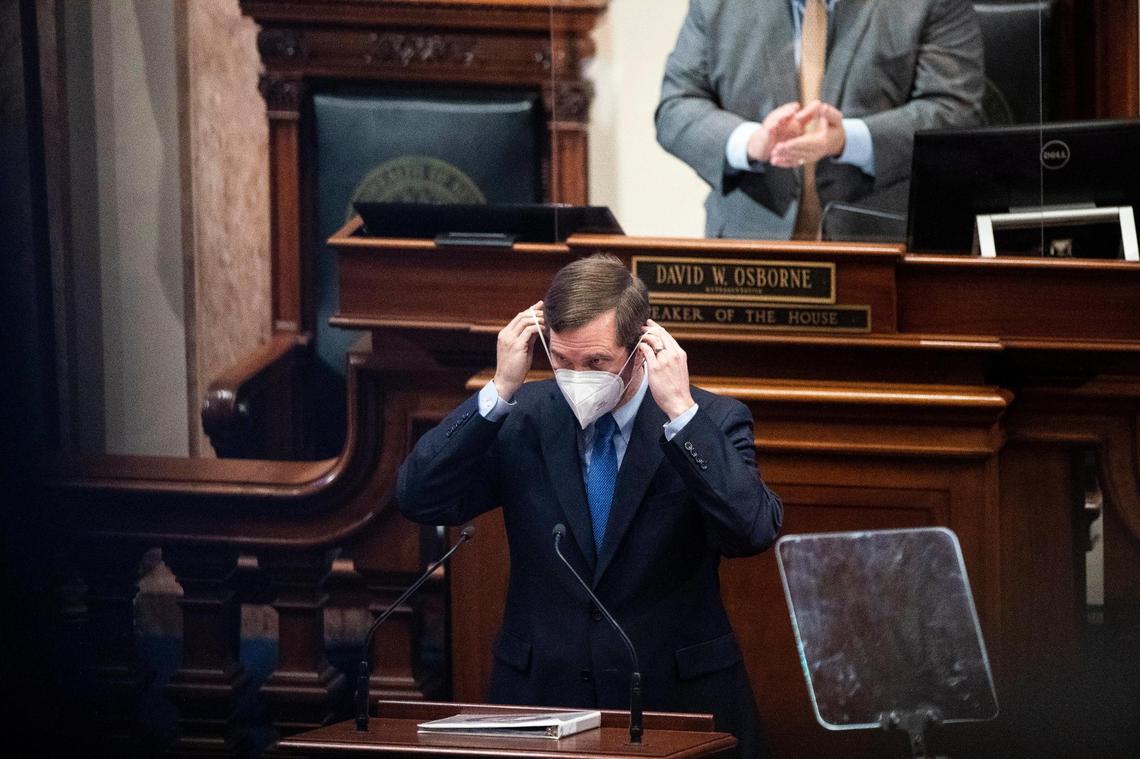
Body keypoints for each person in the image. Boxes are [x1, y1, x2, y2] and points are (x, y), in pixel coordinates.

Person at [397, 254, 783, 757]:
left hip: (676, 700)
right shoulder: (523, 418)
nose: (577, 376)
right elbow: (419, 497)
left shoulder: (708, 420)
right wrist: (499, 390)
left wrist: (682, 416)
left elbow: (753, 530)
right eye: (562, 360)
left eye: (596, 362)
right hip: (543, 700)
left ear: (642, 349)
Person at [655, 0, 985, 240]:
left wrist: (848, 140)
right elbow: (676, 107)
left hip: (884, 248)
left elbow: (955, 110)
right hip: (748, 252)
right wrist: (749, 141)